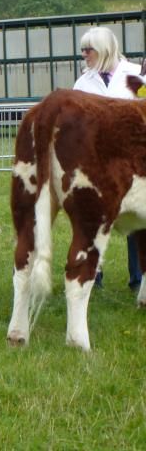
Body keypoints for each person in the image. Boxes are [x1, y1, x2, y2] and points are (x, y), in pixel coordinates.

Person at [73, 26, 142, 291]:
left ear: (103, 50)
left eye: (88, 50)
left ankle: (138, 278)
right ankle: (93, 275)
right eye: (82, 50)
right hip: (95, 162)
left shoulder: (136, 75)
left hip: (132, 161)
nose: (84, 55)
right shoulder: (82, 82)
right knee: (92, 219)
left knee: (135, 218)